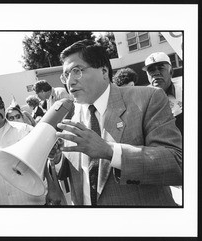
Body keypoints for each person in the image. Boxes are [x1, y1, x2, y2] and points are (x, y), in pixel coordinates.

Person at [52, 39, 182, 206]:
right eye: (66, 75)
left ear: (104, 71)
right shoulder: (67, 114)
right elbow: (76, 172)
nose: (70, 82)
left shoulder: (148, 98)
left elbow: (176, 164)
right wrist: (57, 160)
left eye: (77, 70)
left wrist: (110, 151)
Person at [142, 52, 183, 135]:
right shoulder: (142, 100)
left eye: (161, 68)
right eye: (151, 70)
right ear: (147, 76)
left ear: (171, 71)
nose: (156, 73)